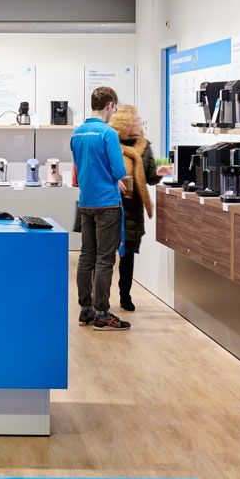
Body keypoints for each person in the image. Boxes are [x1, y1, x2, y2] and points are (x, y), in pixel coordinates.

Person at [70, 86, 131, 331]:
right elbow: (118, 171)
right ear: (109, 105)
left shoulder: (77, 133)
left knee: (87, 256)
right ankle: (103, 313)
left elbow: (81, 167)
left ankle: (86, 310)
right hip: (107, 204)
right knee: (105, 259)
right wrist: (117, 175)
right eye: (114, 108)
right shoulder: (108, 133)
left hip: (86, 202)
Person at [108, 105, 170, 312]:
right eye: (136, 120)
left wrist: (161, 170)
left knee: (128, 257)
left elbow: (151, 178)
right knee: (105, 256)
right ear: (126, 123)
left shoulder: (144, 145)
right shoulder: (109, 142)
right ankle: (101, 300)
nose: (140, 123)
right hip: (110, 204)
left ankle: (125, 296)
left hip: (133, 209)